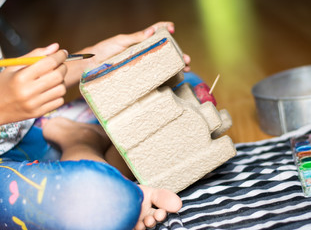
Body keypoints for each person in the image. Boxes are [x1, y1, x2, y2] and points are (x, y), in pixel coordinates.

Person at [0, 22, 190, 230]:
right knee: (100, 202)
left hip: (27, 127)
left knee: (181, 91)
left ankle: (88, 153)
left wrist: (95, 60)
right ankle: (83, 143)